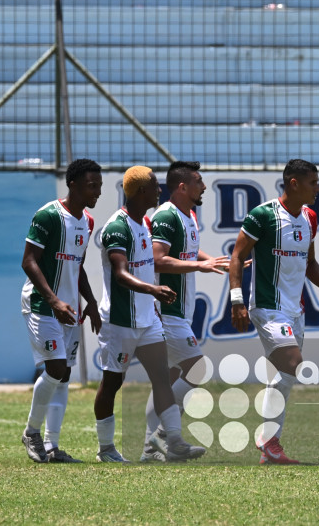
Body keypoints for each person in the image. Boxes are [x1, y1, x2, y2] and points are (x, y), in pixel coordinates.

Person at [229, 158, 319, 465]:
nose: (317, 188)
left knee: (283, 376)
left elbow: (309, 262)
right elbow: (237, 256)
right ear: (294, 183)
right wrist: (237, 300)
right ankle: (267, 439)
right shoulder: (263, 216)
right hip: (267, 306)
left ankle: (271, 449)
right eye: (313, 182)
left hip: (295, 310)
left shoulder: (309, 217)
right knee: (292, 362)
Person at [93, 165, 200, 463]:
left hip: (148, 319)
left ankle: (173, 441)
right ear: (141, 191)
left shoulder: (145, 224)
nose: (159, 190)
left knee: (162, 380)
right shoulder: (118, 226)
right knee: (112, 383)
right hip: (120, 321)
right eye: (154, 186)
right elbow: (120, 274)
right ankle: (106, 449)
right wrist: (153, 290)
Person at [140, 161, 232, 462]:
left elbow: (189, 251)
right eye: (198, 181)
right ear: (182, 187)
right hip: (165, 311)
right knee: (198, 368)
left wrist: (215, 260)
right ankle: (164, 436)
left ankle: (150, 449)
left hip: (179, 311)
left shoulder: (188, 215)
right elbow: (157, 259)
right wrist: (199, 265)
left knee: (166, 380)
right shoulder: (166, 215)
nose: (203, 186)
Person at [21, 158, 103, 463]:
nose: (97, 192)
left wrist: (91, 303)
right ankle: (31, 432)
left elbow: (77, 266)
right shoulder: (48, 215)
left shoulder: (88, 222)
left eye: (100, 186)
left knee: (64, 374)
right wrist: (54, 300)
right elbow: (28, 261)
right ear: (73, 184)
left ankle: (52, 446)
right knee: (55, 368)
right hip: (43, 305)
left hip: (70, 309)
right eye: (91, 185)